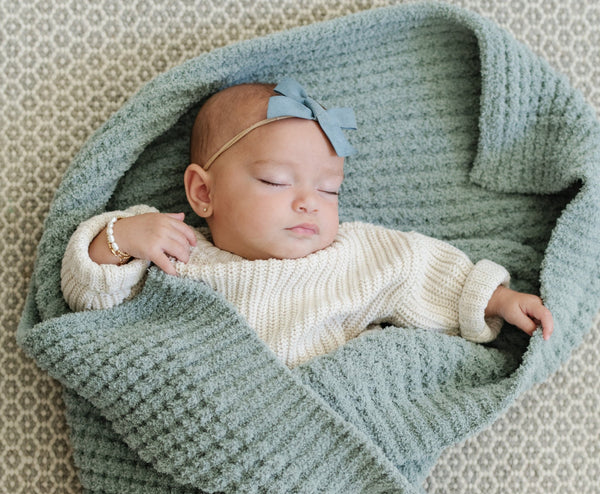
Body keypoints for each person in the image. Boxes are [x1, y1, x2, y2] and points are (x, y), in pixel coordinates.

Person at [61, 77, 553, 368]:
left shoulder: (350, 255)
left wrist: (496, 298)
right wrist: (123, 237)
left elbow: (420, 270)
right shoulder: (179, 253)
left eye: (329, 190)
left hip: (325, 423)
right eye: (277, 181)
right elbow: (89, 298)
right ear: (203, 192)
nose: (310, 204)